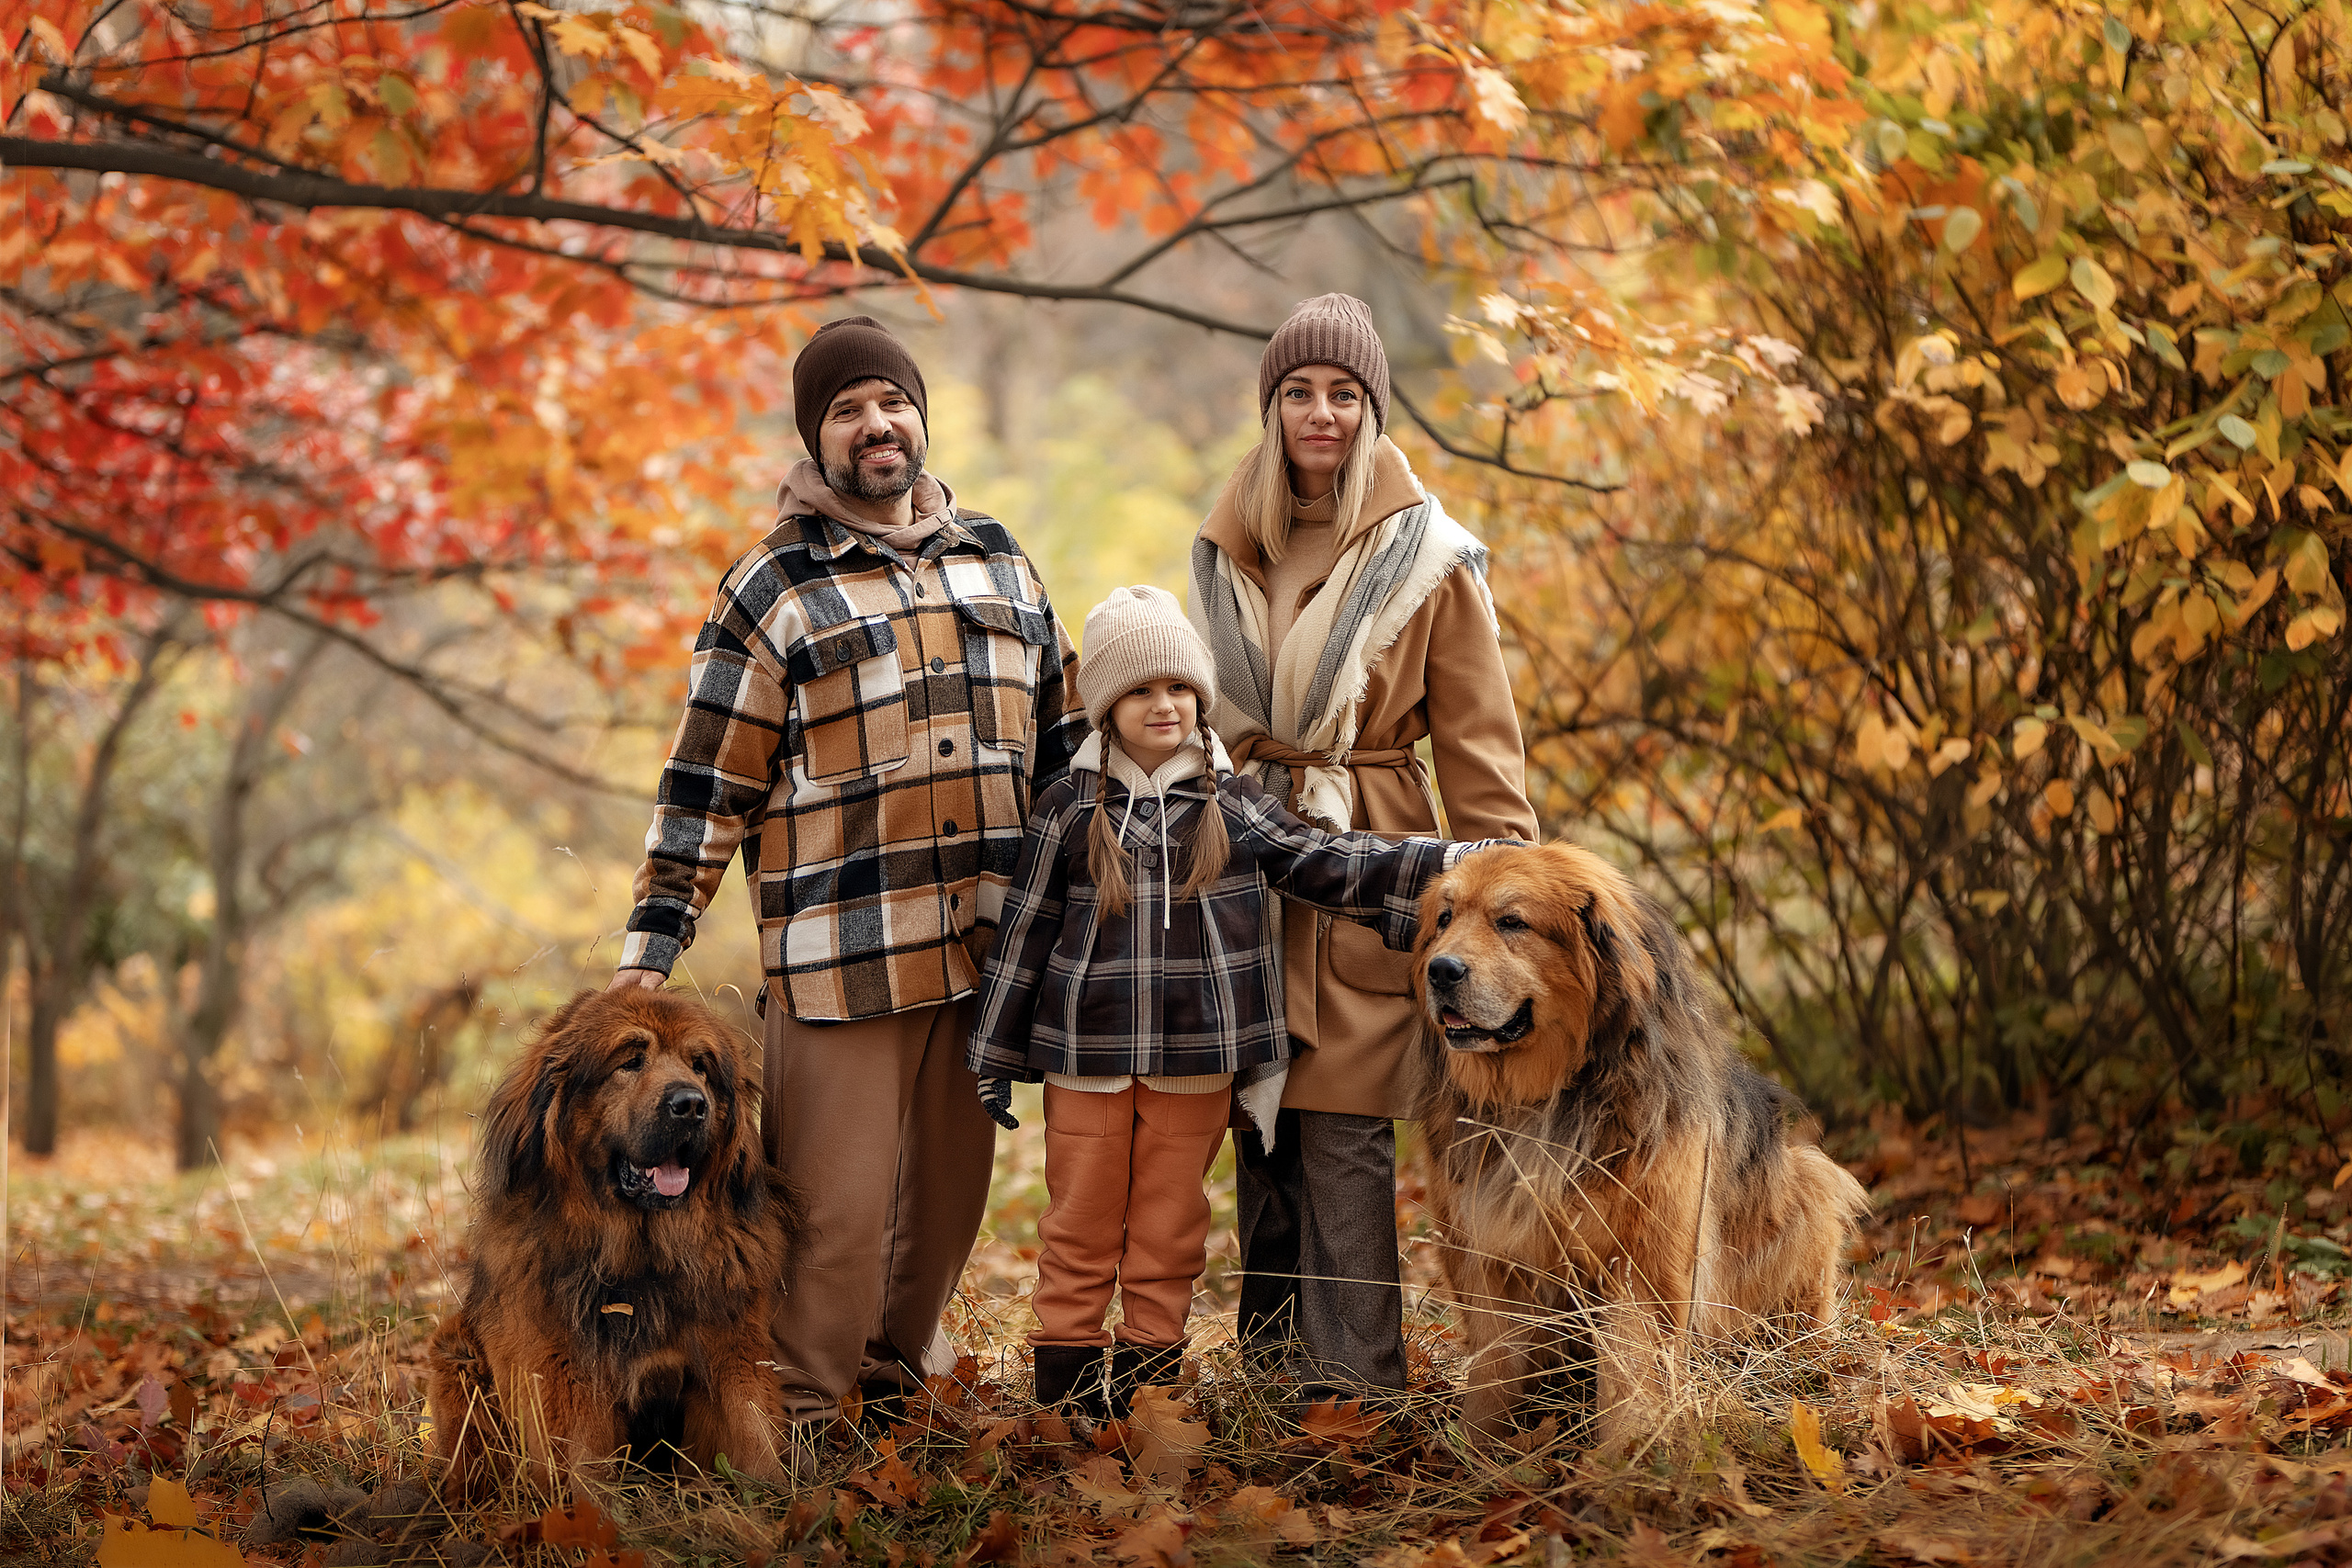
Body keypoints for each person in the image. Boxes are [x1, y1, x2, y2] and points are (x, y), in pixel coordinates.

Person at [609, 315, 1087, 1438]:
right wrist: (650, 953)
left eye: (892, 402)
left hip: (983, 951)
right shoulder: (771, 585)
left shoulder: (1003, 559)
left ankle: (892, 1396)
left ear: (921, 416)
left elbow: (1066, 752)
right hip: (841, 959)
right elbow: (705, 785)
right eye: (846, 410)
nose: (877, 424)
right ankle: (799, 1425)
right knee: (830, 1214)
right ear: (816, 440)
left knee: (946, 1208)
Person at [966, 586, 1498, 1419]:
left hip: (1198, 1063)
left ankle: (1147, 1392)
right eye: (1140, 690)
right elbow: (1024, 934)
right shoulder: (1069, 809)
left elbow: (1332, 862)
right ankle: (1065, 1395)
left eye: (1180, 687)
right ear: (1105, 707)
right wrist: (994, 1057)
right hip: (1087, 1063)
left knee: (1170, 1229)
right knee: (1079, 1225)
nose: (1164, 704)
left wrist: (1450, 863)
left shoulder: (1234, 805)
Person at [1188, 292, 1540, 1398]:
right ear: (1271, 407)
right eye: (1300, 392)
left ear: (1371, 408)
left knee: (1342, 1133)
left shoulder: (1429, 557)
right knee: (1264, 1129)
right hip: (1247, 862)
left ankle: (1360, 1390)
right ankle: (1275, 1379)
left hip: (1368, 867)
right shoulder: (1227, 543)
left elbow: (1483, 751)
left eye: (1344, 394)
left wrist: (1501, 903)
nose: (1321, 413)